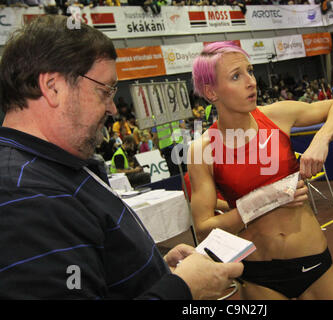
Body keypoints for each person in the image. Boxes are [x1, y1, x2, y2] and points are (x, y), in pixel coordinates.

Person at [0, 15, 243, 300]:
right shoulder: (23, 193)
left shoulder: (53, 166)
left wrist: (153, 273)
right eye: (105, 90)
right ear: (53, 87)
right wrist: (182, 289)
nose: (113, 108)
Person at [188, 41, 333, 300]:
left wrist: (321, 139)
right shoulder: (202, 151)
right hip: (259, 275)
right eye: (236, 76)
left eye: (250, 71)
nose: (251, 81)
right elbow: (204, 229)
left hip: (313, 263)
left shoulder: (276, 115)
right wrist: (266, 199)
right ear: (211, 92)